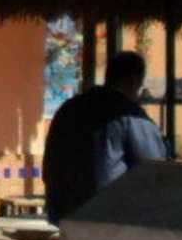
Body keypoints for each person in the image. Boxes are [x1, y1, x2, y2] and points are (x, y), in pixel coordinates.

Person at [40, 49, 169, 220]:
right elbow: (155, 167)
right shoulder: (128, 115)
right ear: (133, 81)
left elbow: (49, 163)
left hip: (63, 213)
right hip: (107, 216)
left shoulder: (68, 108)